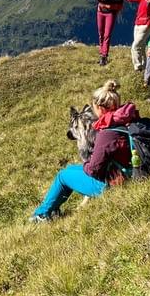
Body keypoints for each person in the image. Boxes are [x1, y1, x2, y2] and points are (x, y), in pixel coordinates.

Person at [31, 79, 140, 221]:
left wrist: (86, 165)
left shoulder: (107, 133)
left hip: (114, 182)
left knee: (63, 176)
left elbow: (93, 170)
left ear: (99, 108)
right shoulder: (128, 120)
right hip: (129, 171)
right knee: (70, 169)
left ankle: (41, 215)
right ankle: (51, 209)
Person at [95, 0, 125, 66]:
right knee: (101, 33)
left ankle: (104, 56)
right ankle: (101, 54)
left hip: (110, 13)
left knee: (107, 35)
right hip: (100, 11)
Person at [127, 0, 150, 71]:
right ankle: (145, 66)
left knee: (135, 46)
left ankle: (138, 67)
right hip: (138, 24)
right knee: (141, 46)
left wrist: (149, 23)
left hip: (145, 25)